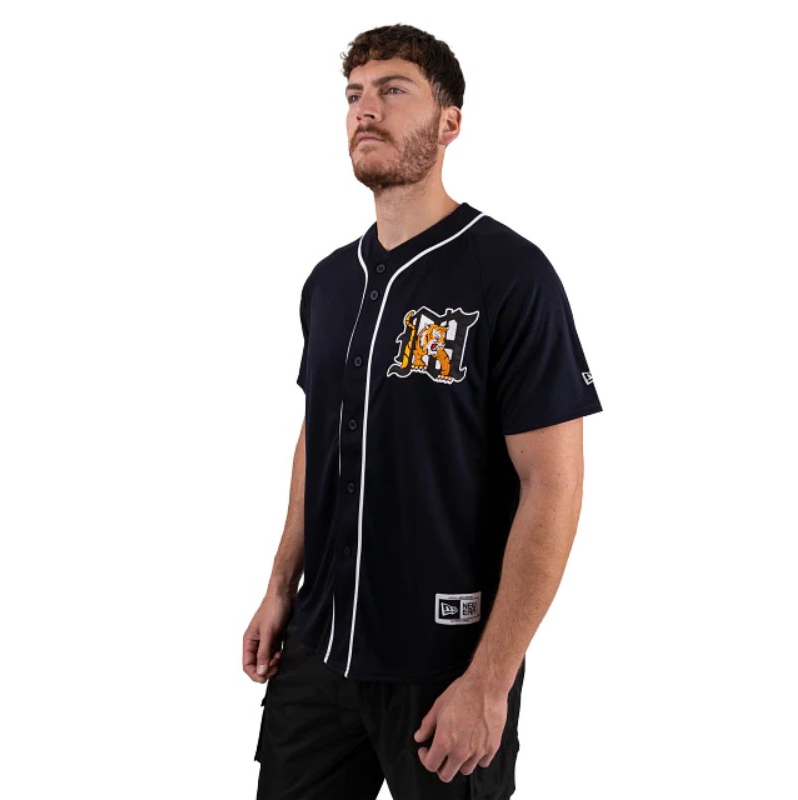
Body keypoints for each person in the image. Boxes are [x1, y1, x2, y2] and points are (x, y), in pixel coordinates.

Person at [242, 23, 603, 800]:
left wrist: (491, 680)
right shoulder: (330, 282)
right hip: (319, 652)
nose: (365, 109)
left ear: (450, 122)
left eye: (392, 90)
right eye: (354, 95)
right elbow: (319, 438)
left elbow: (553, 485)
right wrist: (280, 587)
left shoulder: (512, 275)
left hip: (447, 668)